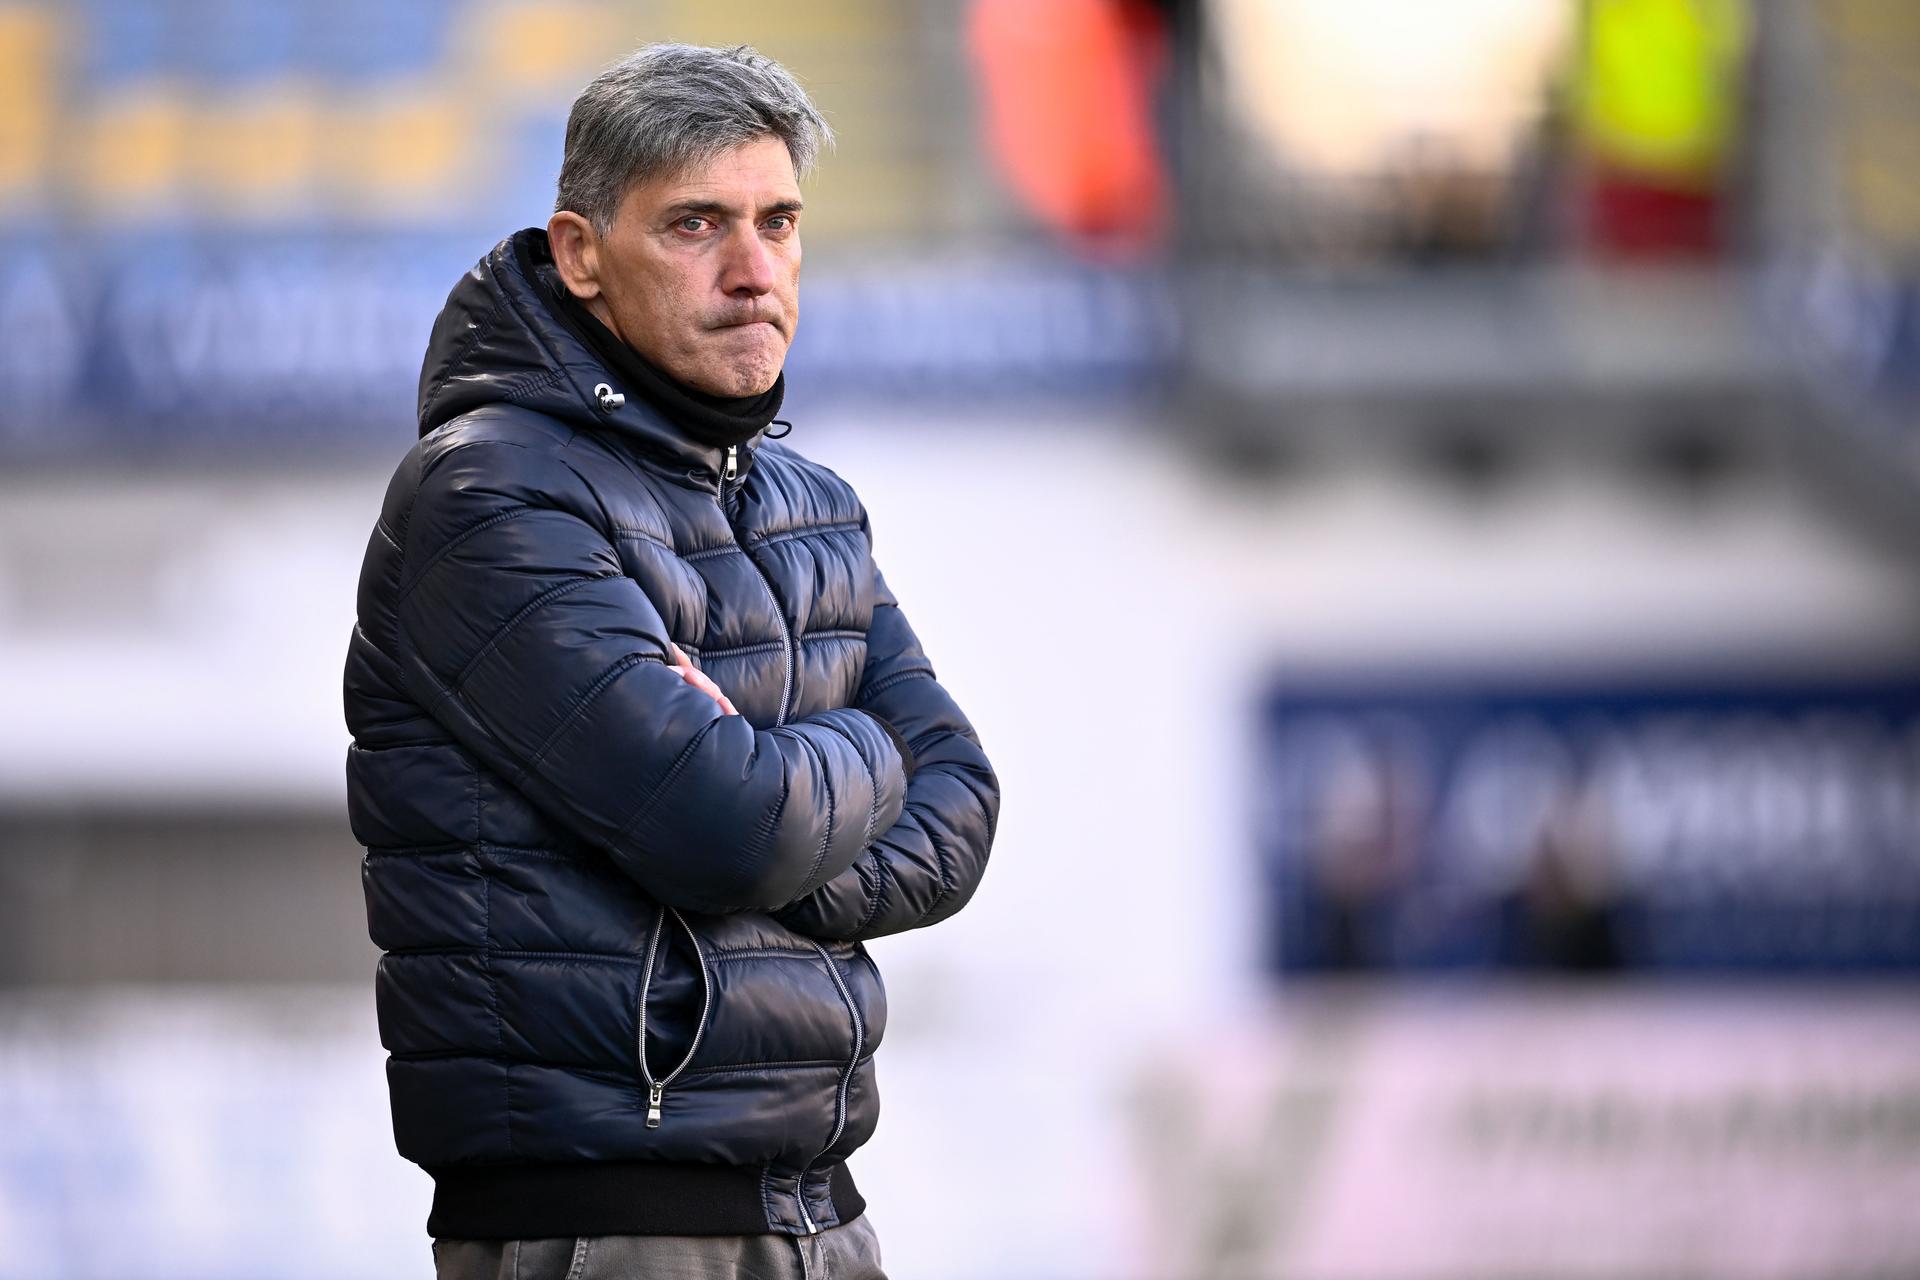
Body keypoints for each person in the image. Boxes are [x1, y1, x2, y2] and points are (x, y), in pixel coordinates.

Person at [341, 43, 1001, 1280]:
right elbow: (731, 829)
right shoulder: (489, 495)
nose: (753, 270)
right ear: (581, 253)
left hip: (821, 1211)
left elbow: (960, 806)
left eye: (778, 222)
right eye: (696, 224)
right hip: (607, 1223)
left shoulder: (812, 502)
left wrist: (779, 811)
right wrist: (853, 760)